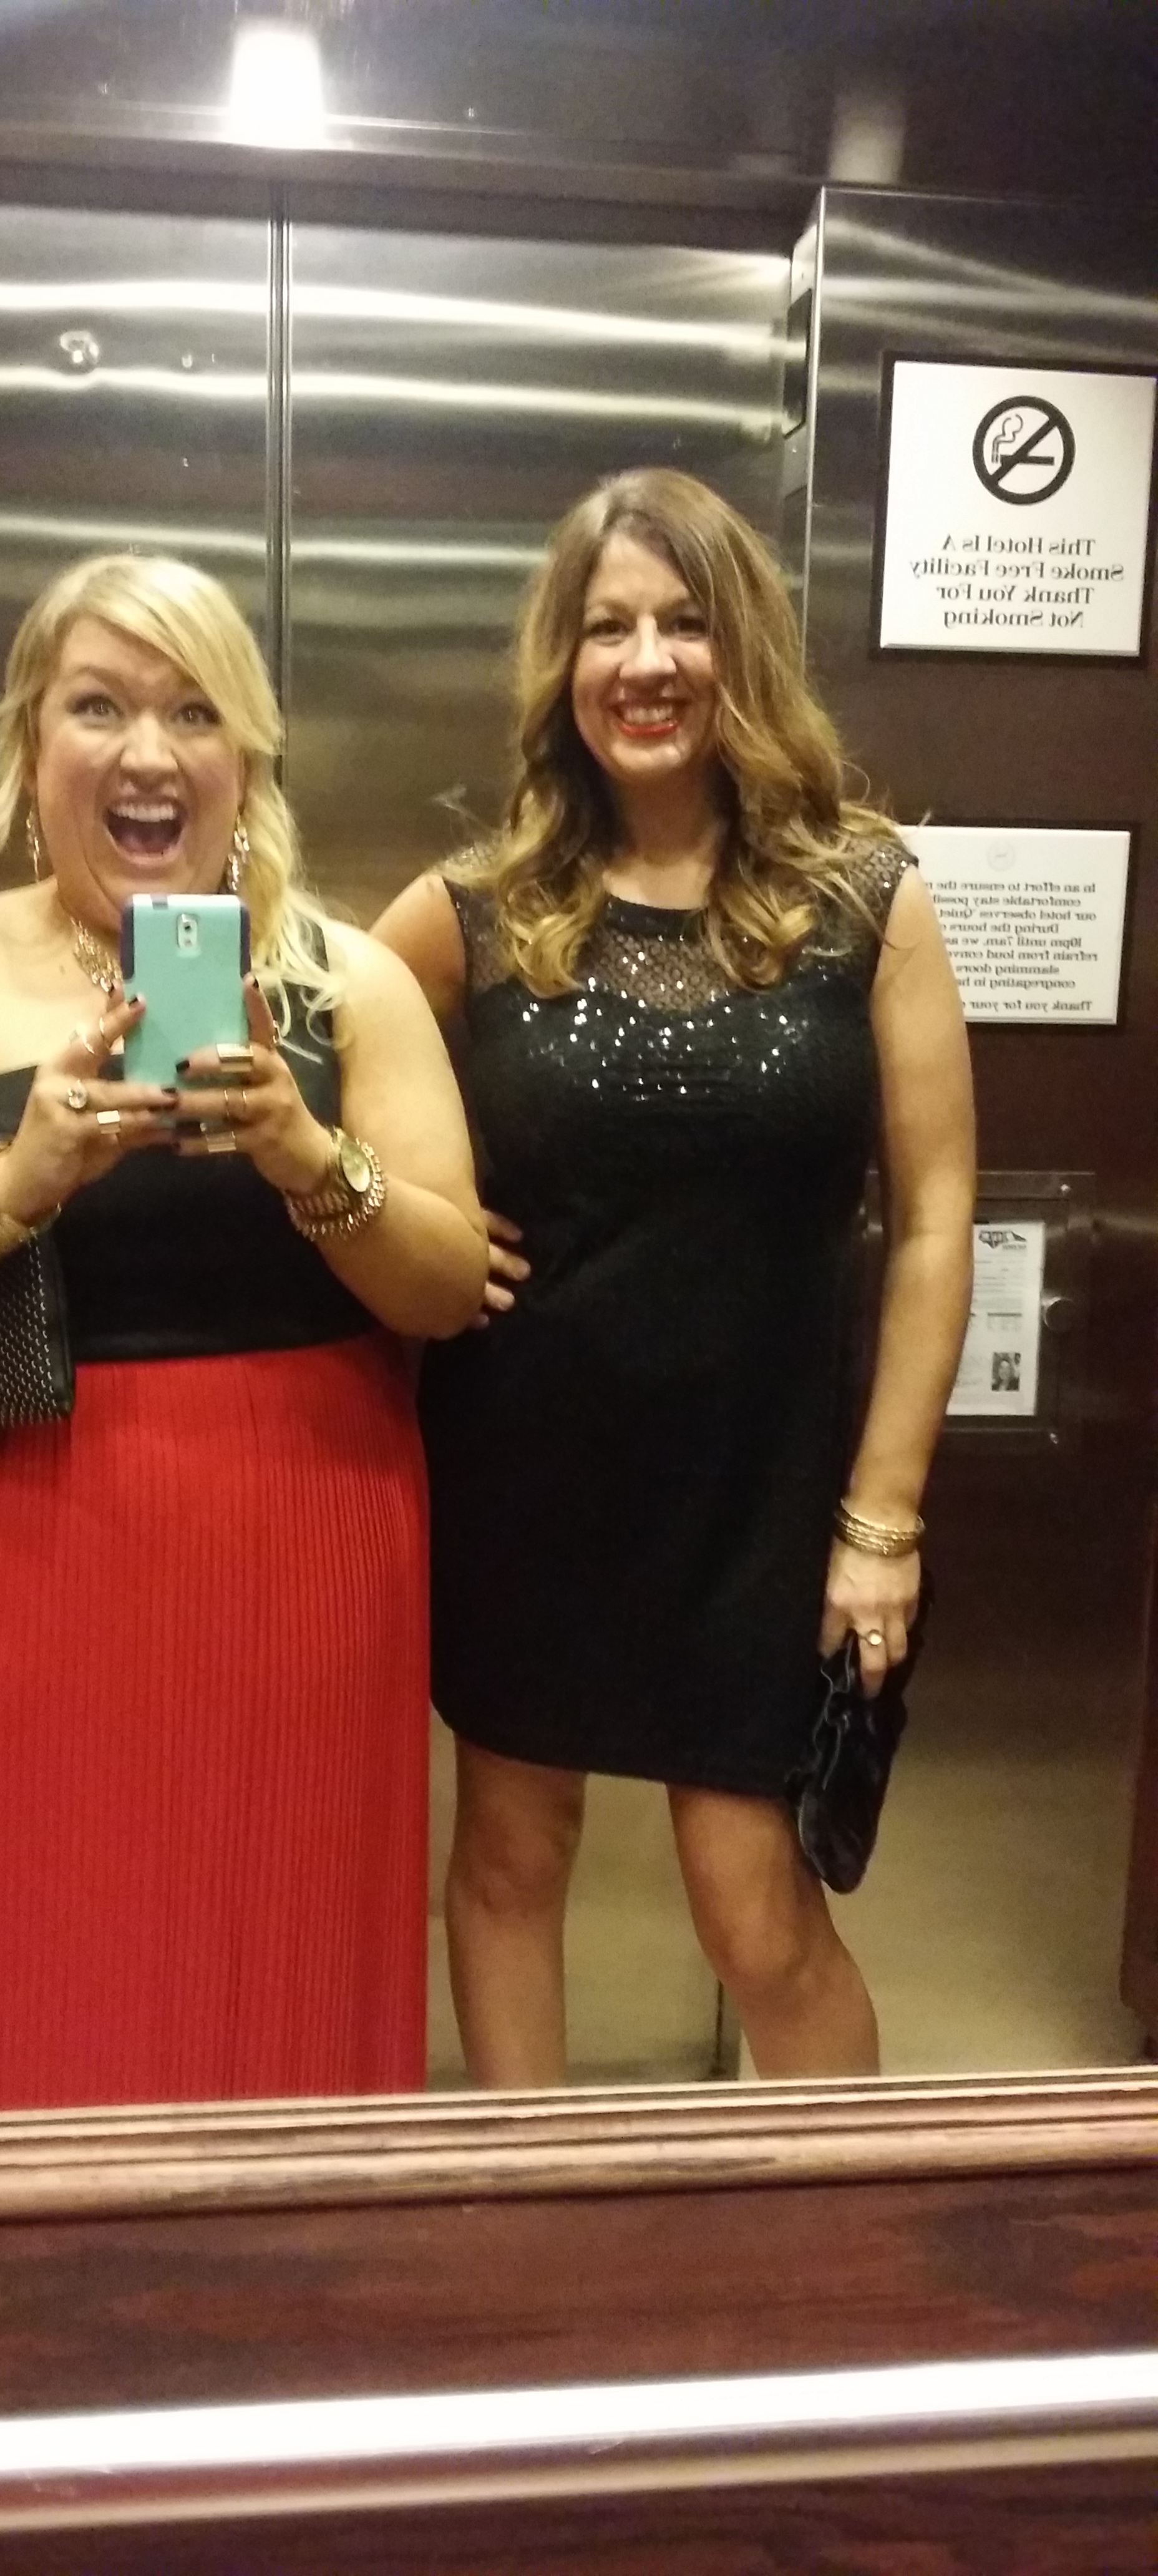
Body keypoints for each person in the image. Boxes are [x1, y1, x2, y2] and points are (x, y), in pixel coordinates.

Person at [0, 551, 487, 2115]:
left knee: (273, 1959)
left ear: (248, 757)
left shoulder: (349, 983)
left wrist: (309, 1159)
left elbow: (446, 1289)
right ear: (30, 745)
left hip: (297, 1557)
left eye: (193, 711)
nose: (147, 752)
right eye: (97, 707)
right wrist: (12, 1182)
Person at [374, 468, 975, 2084]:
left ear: (743, 649)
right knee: (509, 1861)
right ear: (561, 667)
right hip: (525, 1475)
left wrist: (884, 1519)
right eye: (607, 627)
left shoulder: (865, 898)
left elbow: (934, 1218)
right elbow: (320, 1062)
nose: (645, 661)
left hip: (763, 1500)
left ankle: (838, 2225)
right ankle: (535, 2214)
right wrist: (408, 1221)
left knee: (755, 1914)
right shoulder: (477, 911)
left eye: (684, 622)